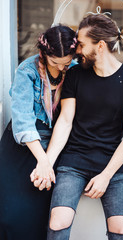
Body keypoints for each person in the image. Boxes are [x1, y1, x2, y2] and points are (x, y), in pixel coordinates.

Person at [33, 13, 123, 240]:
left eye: (82, 44)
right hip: (75, 159)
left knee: (121, 228)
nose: (77, 50)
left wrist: (105, 176)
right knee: (58, 220)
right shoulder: (75, 74)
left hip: (111, 163)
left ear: (100, 46)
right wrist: (47, 163)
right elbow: (65, 122)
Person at [0, 25, 77, 240]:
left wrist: (47, 162)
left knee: (41, 216)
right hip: (22, 148)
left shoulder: (76, 70)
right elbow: (22, 121)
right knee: (13, 215)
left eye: (66, 63)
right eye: (55, 63)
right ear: (43, 53)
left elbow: (68, 119)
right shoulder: (27, 70)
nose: (62, 69)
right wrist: (43, 162)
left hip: (55, 147)